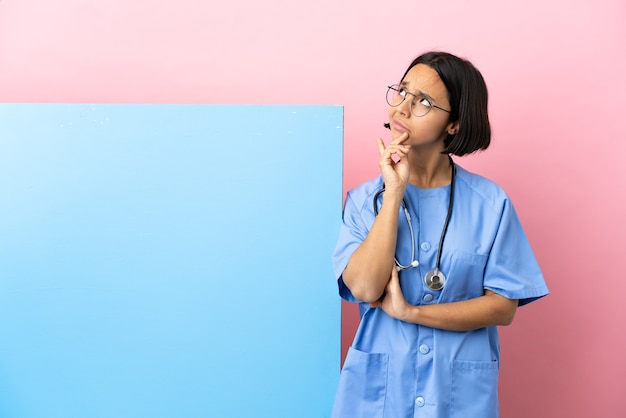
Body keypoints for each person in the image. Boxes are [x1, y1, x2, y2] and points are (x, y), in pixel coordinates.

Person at [331, 51, 549, 418]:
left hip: (457, 394)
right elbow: (364, 289)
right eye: (401, 92)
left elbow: (503, 307)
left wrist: (412, 313)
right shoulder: (365, 201)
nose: (402, 107)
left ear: (454, 124)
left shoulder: (490, 203)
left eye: (424, 102)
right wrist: (394, 193)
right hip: (381, 392)